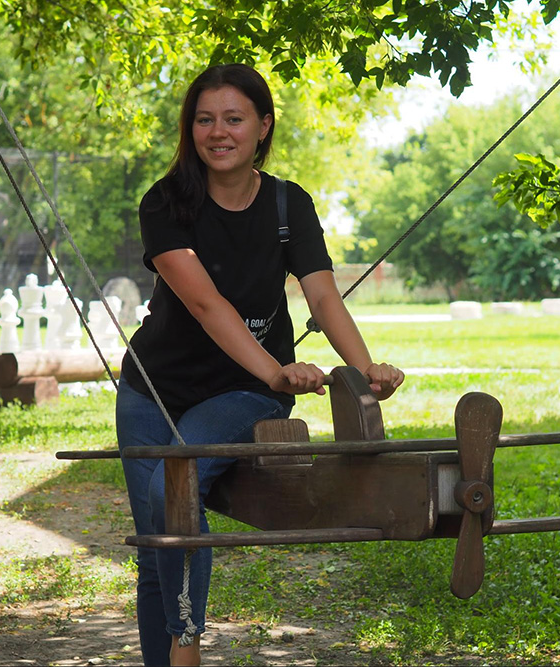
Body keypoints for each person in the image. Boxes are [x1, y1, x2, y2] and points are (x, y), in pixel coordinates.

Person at [117, 63, 405, 667]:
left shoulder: (287, 203)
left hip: (245, 393)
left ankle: (186, 644)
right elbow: (205, 303)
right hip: (153, 389)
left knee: (175, 486)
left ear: (262, 126)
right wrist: (279, 369)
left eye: (233, 118)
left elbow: (323, 297)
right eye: (204, 119)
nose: (217, 132)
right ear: (189, 128)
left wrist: (363, 370)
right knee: (154, 540)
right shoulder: (166, 202)